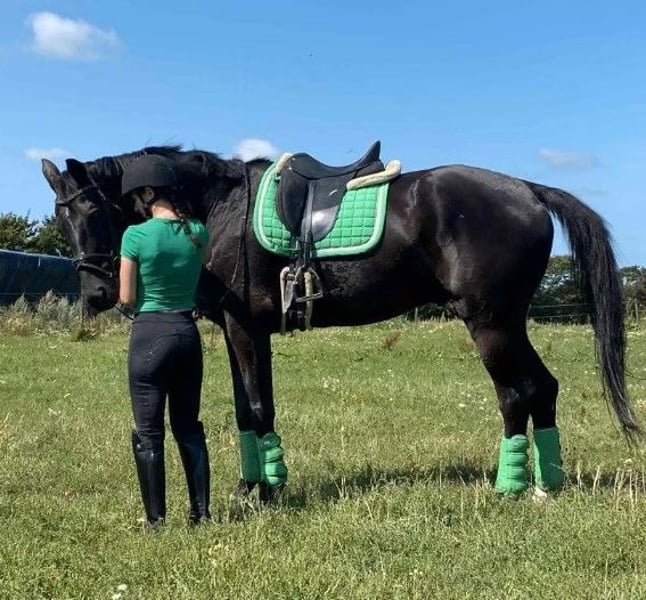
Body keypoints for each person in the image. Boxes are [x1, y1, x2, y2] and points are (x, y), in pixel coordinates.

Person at [118, 154, 211, 529]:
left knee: (149, 432)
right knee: (188, 427)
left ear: (148, 192)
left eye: (137, 196)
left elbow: (126, 297)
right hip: (187, 333)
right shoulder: (199, 232)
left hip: (149, 335)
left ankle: (156, 520)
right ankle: (201, 514)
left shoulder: (135, 236)